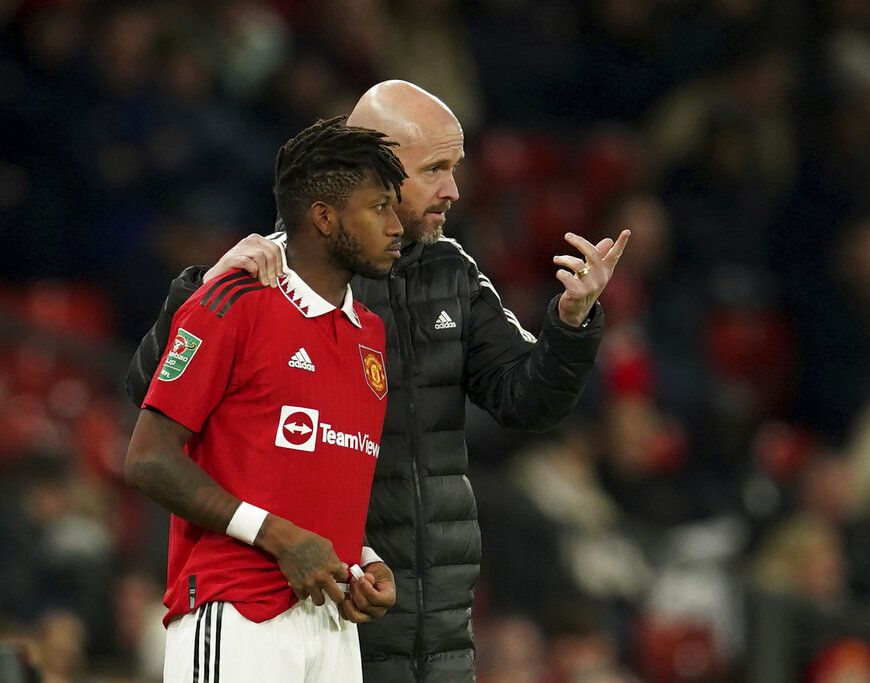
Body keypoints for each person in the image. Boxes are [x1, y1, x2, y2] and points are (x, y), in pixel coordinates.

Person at [126, 80, 630, 681]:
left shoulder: (442, 277)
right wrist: (202, 287)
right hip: (291, 598)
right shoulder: (268, 279)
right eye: (434, 168)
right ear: (376, 167)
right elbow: (156, 404)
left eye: (456, 167)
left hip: (414, 606)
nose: (454, 190)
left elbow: (525, 399)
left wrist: (571, 325)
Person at [124, 118, 407, 681]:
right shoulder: (235, 300)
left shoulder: (369, 332)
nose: (398, 225)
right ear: (324, 217)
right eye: (379, 207)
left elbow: (307, 474)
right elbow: (148, 458)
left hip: (331, 624)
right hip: (236, 613)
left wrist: (365, 560)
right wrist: (277, 537)